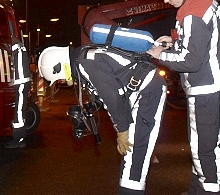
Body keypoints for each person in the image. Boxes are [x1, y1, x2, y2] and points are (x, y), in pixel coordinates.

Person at [146, 0, 220, 195]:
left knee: (204, 148)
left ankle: (210, 192)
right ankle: (196, 189)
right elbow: (197, 39)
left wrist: (160, 55)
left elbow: (191, 60)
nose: (164, 1)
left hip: (206, 88)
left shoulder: (193, 12)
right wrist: (173, 40)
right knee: (203, 144)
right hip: (214, 83)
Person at [38, 44, 166, 195]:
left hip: (148, 91)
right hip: (139, 92)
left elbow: (111, 98)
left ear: (61, 67)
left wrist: (122, 131)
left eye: (61, 78)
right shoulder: (84, 57)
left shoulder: (87, 63)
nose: (66, 81)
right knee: (132, 156)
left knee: (136, 152)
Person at [5, 22, 32, 148]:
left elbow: (11, 63)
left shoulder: (13, 45)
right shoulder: (18, 44)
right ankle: (20, 137)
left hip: (20, 82)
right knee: (20, 109)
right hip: (23, 81)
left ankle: (19, 138)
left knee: (19, 112)